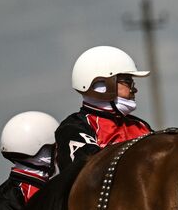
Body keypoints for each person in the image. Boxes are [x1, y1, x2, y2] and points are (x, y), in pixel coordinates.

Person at [55, 45, 152, 174]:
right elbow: (89, 176)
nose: (134, 90)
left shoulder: (140, 126)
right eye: (128, 82)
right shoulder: (74, 127)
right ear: (102, 84)